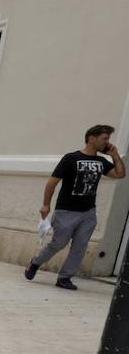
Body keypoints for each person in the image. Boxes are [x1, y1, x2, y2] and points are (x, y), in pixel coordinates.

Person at [26, 124, 125, 289]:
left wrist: (114, 155)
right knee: (59, 243)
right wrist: (45, 205)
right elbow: (52, 183)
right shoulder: (71, 158)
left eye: (108, 139)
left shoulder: (101, 161)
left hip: (88, 213)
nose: (107, 142)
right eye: (104, 138)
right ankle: (35, 263)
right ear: (91, 138)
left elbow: (120, 174)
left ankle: (64, 278)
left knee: (80, 247)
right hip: (66, 211)